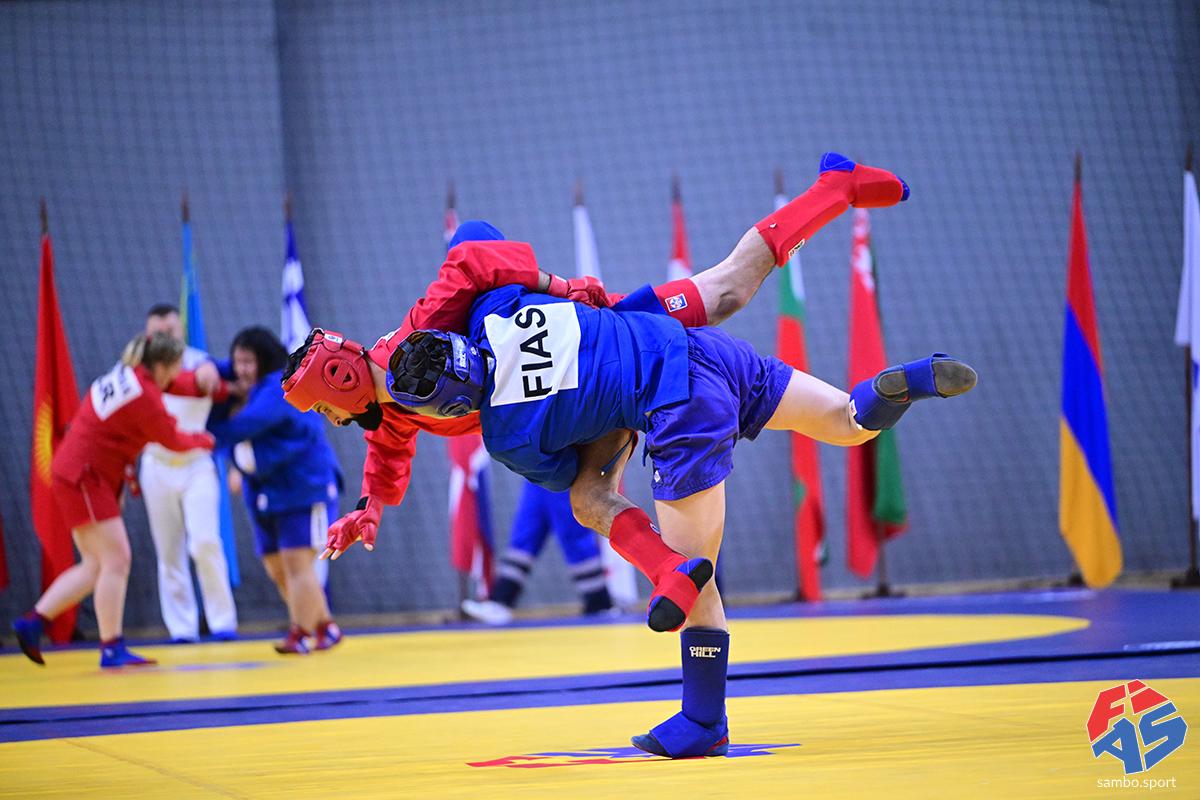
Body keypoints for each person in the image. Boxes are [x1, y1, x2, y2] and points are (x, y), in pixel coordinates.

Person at [285, 153, 976, 759]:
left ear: (341, 382)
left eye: (323, 409)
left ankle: (697, 693)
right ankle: (839, 204)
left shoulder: (471, 393)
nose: (331, 421)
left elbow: (472, 255)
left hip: (661, 400)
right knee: (761, 322)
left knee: (615, 518)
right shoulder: (461, 337)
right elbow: (393, 432)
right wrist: (371, 505)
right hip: (635, 324)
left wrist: (557, 286)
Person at [13, 333, 216, 667]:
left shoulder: (130, 373)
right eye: (177, 366)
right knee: (117, 559)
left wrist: (206, 380)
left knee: (96, 564)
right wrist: (206, 440)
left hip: (77, 473)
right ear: (162, 365)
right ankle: (111, 646)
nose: (178, 373)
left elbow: (177, 384)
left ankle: (34, 622)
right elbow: (173, 439)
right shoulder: (144, 394)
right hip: (84, 476)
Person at [209, 326, 343, 655]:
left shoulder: (278, 388)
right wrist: (210, 372)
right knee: (277, 567)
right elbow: (220, 371)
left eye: (247, 362)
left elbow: (241, 427)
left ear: (264, 360)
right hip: (267, 491)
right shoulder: (254, 385)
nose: (240, 369)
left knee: (297, 564)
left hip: (303, 488)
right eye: (236, 362)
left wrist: (203, 430)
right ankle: (325, 626)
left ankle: (300, 632)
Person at [138, 303, 238, 643]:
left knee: (205, 542)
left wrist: (212, 371)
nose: (165, 337)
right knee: (168, 551)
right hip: (156, 464)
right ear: (148, 335)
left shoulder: (202, 362)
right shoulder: (139, 370)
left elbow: (227, 377)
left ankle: (222, 622)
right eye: (158, 332)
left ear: (181, 329)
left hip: (196, 465)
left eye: (171, 330)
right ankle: (182, 629)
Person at [462, 482, 614, 625]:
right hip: (536, 478)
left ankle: (599, 603)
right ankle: (500, 601)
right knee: (523, 537)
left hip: (562, 476)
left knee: (575, 538)